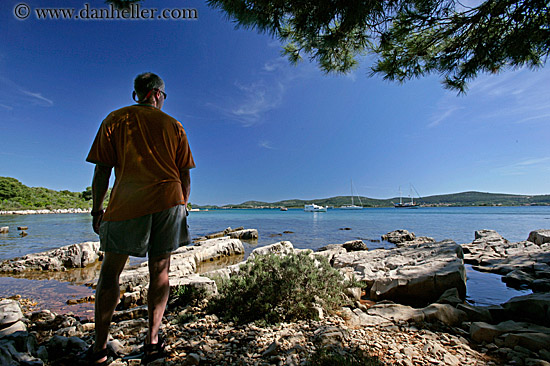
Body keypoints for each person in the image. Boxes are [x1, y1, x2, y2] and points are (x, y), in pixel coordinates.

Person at [83, 72, 195, 365]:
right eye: (163, 96)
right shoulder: (174, 125)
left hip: (127, 202)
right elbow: (184, 174)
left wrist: (97, 209)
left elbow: (102, 171)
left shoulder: (115, 119)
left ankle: (99, 349)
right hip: (169, 202)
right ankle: (152, 342)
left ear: (137, 94)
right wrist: (183, 204)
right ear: (157, 94)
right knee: (160, 272)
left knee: (110, 273)